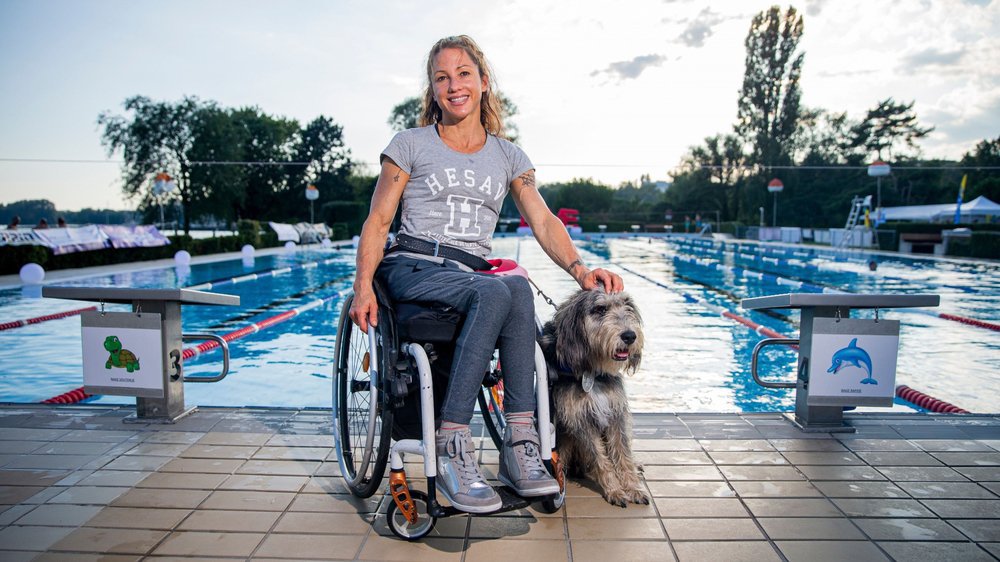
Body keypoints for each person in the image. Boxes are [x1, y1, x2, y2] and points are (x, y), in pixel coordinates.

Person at [350, 35, 624, 514]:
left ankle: (520, 445)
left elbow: (542, 219)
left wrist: (581, 270)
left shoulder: (508, 156)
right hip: (414, 265)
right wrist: (362, 286)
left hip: (471, 279)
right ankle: (453, 442)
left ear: (482, 81)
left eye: (463, 73)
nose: (453, 85)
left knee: (513, 287)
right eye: (441, 77)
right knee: (500, 290)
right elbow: (377, 221)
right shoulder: (409, 144)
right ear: (432, 91)